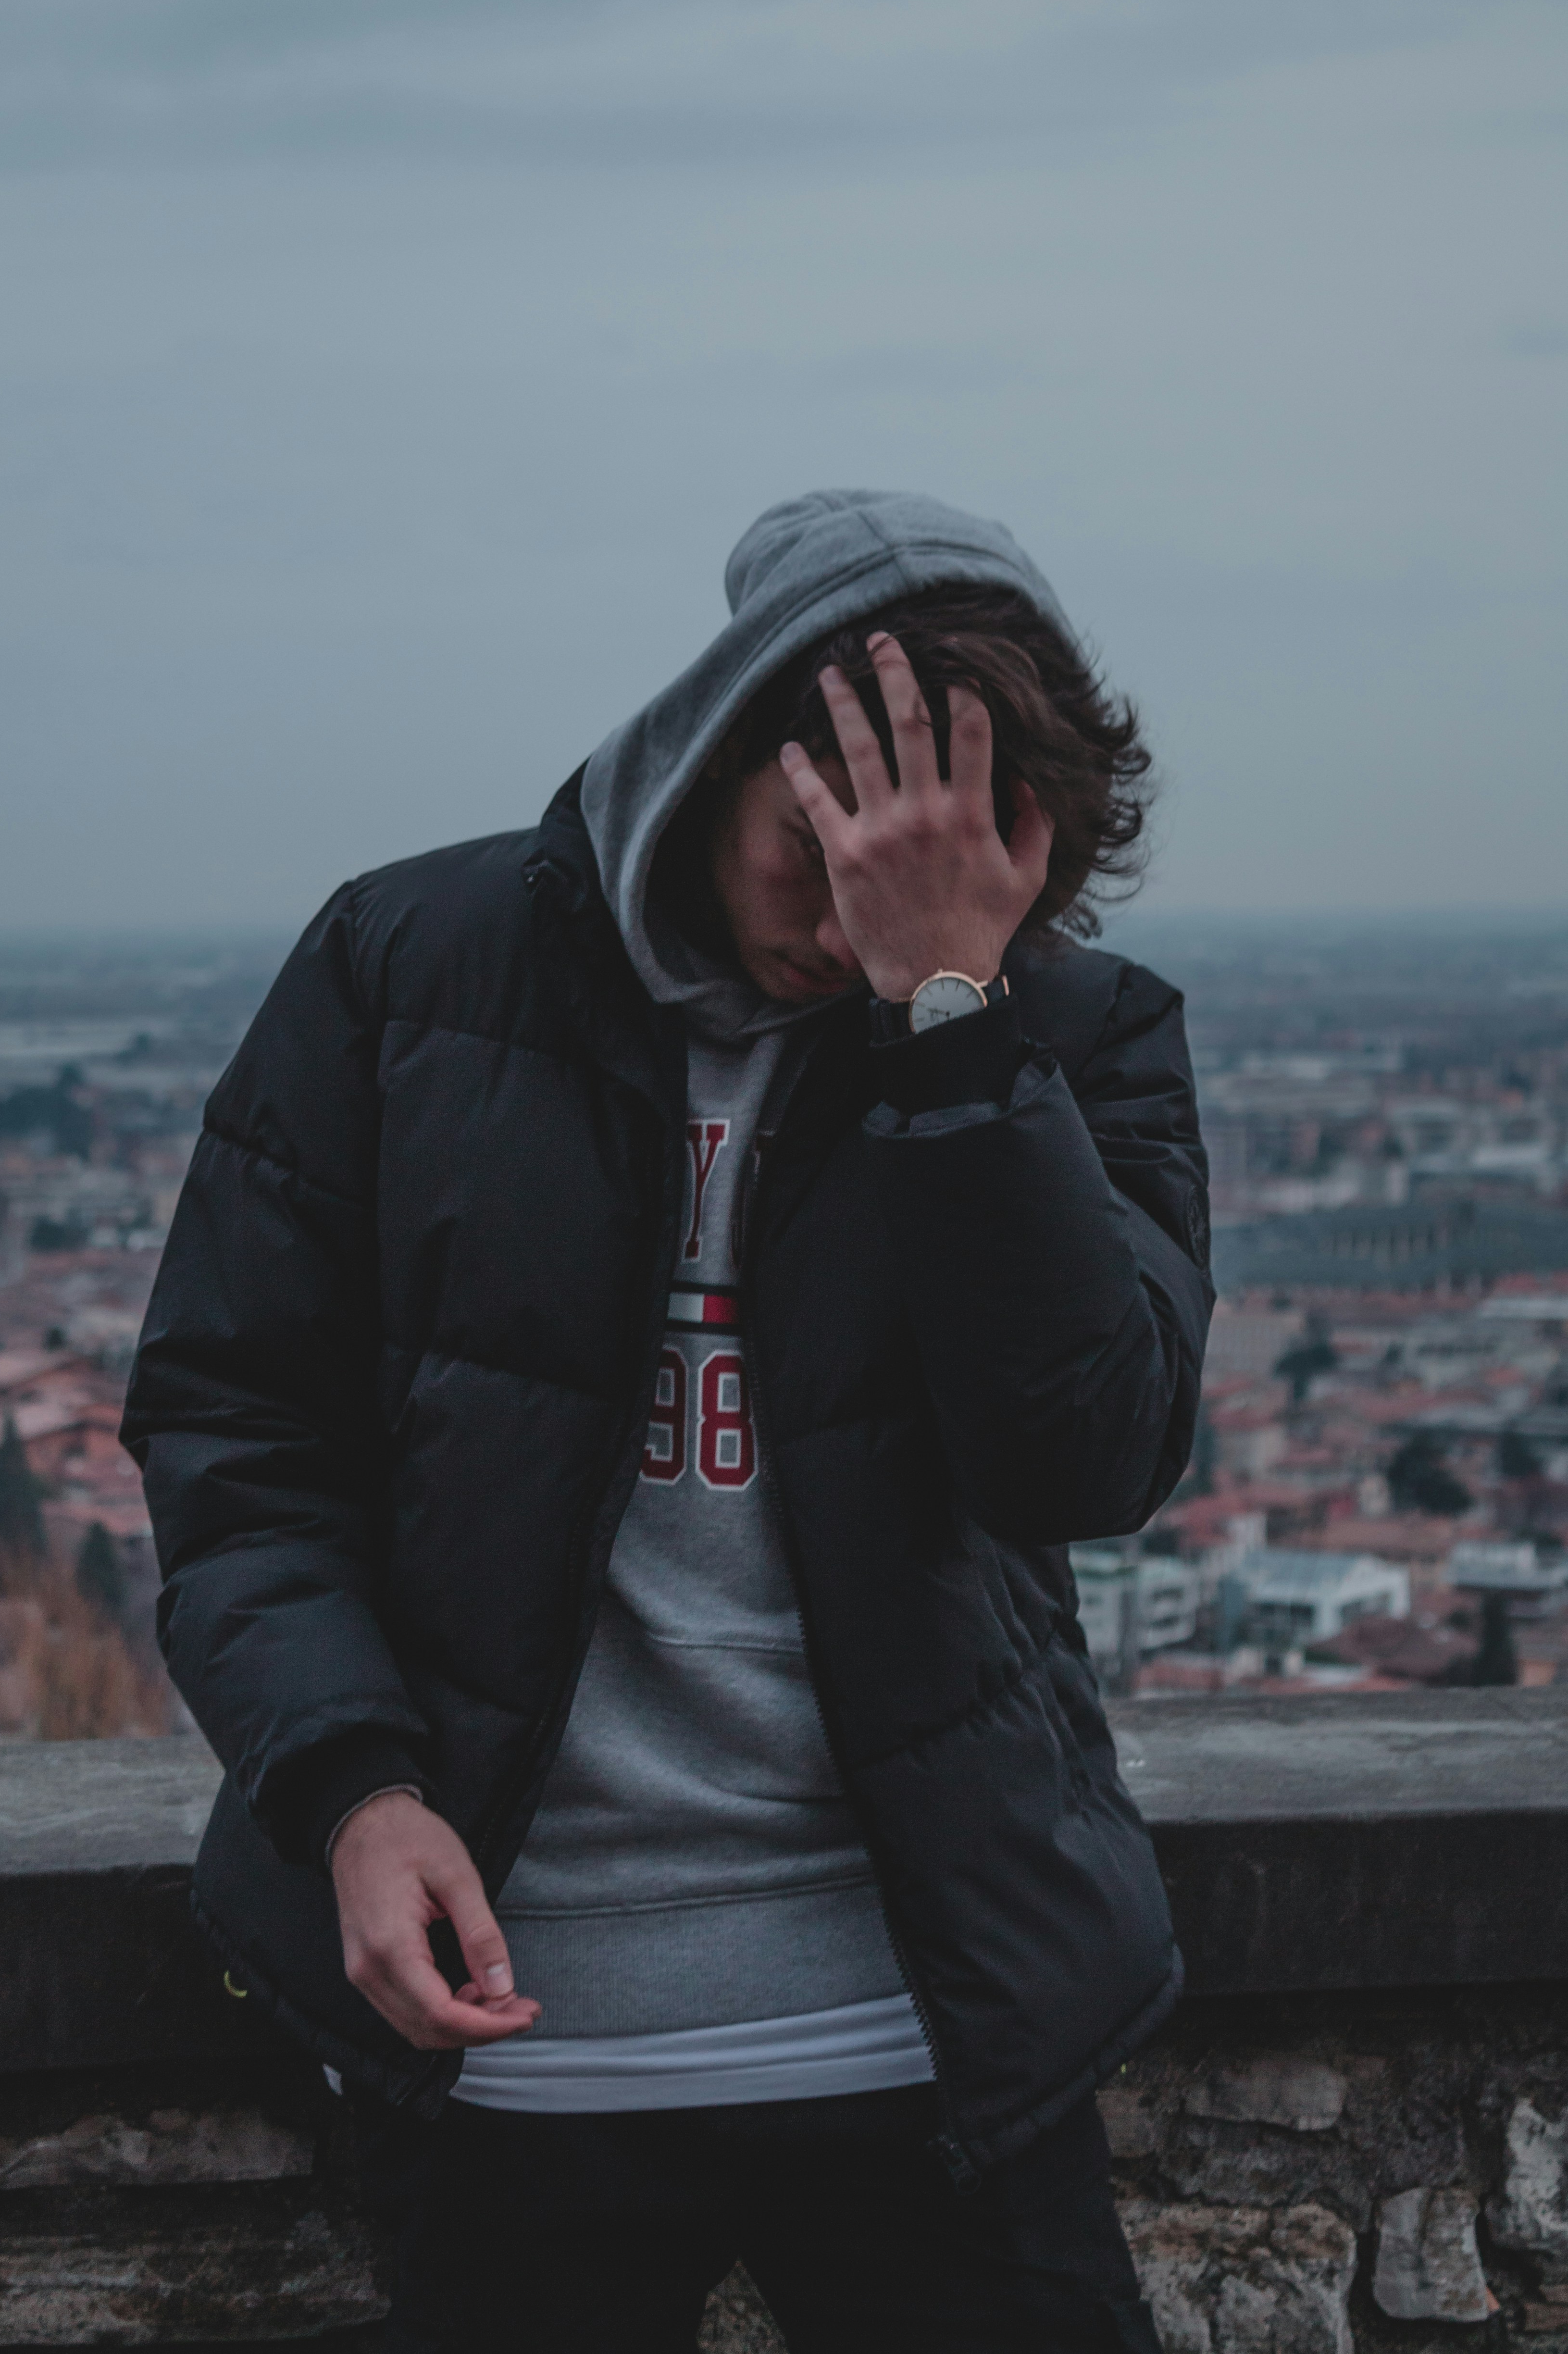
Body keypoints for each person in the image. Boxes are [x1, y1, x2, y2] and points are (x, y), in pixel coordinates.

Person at [123, 489, 1213, 2352]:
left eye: (931, 869)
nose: (851, 909)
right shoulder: (409, 970)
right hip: (515, 2037)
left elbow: (1086, 1458)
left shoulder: (1057, 1035)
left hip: (922, 2023)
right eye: (822, 846)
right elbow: (240, 1434)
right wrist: (355, 1793)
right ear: (726, 745)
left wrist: (950, 1018)